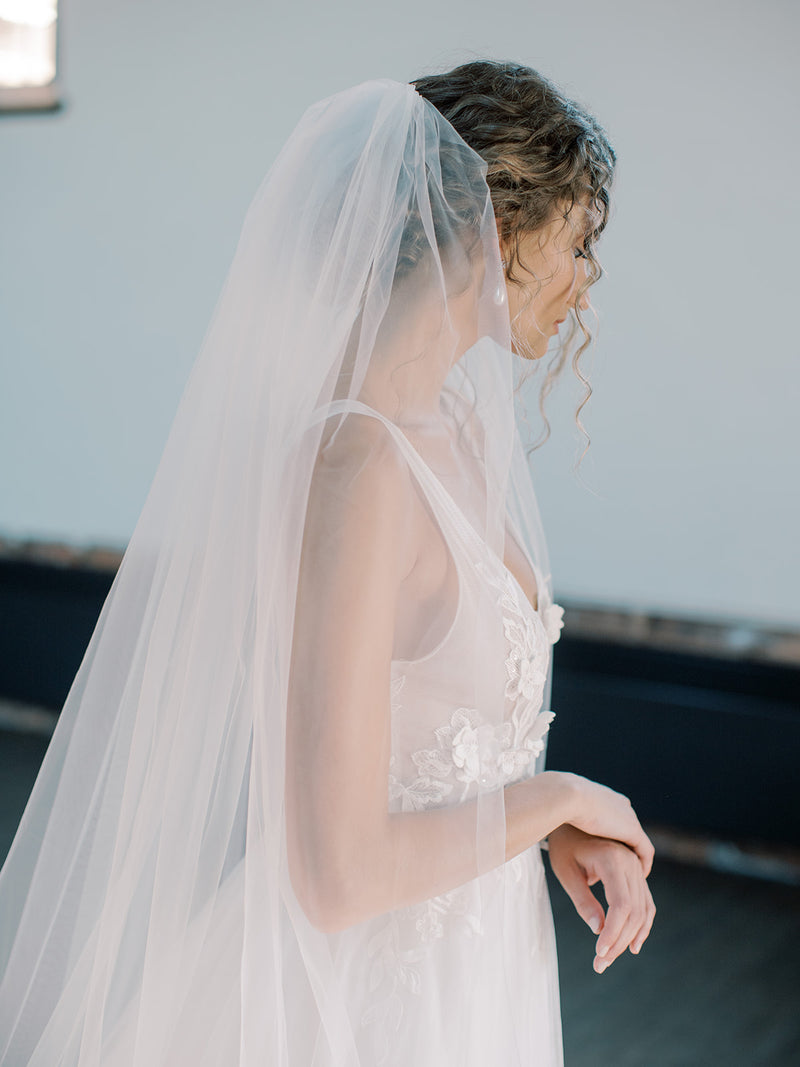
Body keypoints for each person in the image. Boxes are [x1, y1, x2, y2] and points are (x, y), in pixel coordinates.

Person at [0, 60, 655, 1066]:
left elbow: (445, 744)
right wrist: (559, 797)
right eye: (575, 240)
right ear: (496, 230)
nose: (586, 279)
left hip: (475, 968)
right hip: (362, 1006)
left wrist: (533, 825)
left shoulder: (453, 423)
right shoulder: (358, 465)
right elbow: (338, 874)